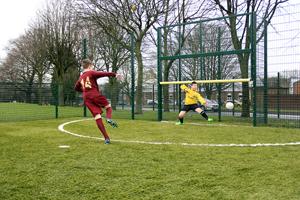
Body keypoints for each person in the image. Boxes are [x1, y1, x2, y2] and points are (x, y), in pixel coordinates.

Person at [74, 59, 121, 144]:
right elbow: (103, 74)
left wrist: (84, 90)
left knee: (97, 116)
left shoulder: (81, 77)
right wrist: (115, 74)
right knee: (108, 106)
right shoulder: (91, 72)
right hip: (94, 94)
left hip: (86, 97)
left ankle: (106, 138)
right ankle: (109, 118)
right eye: (92, 65)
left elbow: (76, 88)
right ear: (89, 65)